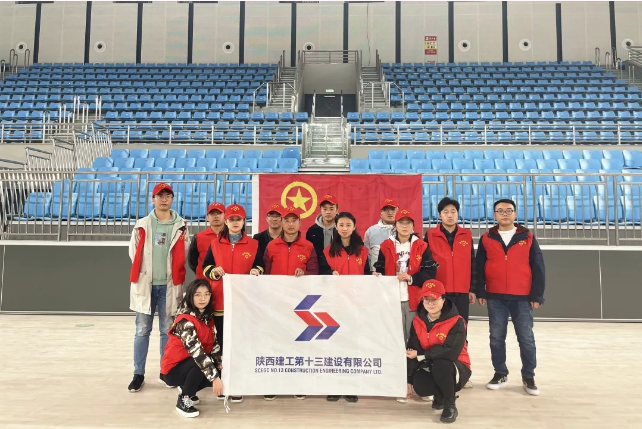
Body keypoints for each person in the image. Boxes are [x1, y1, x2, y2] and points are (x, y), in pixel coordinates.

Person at [475, 199, 545, 396]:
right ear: (494, 215)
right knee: (496, 337)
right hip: (495, 296)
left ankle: (529, 376)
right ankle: (500, 373)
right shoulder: (487, 238)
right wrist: (481, 291)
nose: (504, 214)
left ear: (515, 214)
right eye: (500, 211)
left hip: (522, 297)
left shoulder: (528, 237)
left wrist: (537, 295)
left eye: (508, 210)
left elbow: (538, 267)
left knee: (526, 338)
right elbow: (479, 267)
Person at [128, 183, 189, 393]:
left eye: (168, 196)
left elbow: (184, 253)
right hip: (147, 285)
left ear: (172, 199)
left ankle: (166, 372)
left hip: (170, 287)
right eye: (160, 196)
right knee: (142, 331)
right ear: (153, 199)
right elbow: (133, 253)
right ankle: (138, 374)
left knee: (167, 331)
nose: (164, 199)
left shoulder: (181, 225)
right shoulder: (142, 225)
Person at [374, 208, 438, 404]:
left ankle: (420, 385)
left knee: (416, 343)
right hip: (392, 301)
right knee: (397, 343)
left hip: (414, 301)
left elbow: (430, 273)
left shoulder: (422, 245)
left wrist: (411, 278)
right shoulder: (386, 245)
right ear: (395, 225)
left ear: (413, 226)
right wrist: (377, 275)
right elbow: (379, 267)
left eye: (408, 223)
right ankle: (400, 384)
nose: (404, 226)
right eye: (401, 222)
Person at [202, 203, 263, 403]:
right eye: (231, 219)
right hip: (220, 302)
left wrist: (257, 271)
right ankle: (224, 380)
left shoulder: (254, 244)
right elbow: (206, 267)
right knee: (222, 343)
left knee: (240, 342)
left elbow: (260, 265)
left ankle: (238, 382)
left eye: (238, 219)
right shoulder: (215, 244)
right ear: (226, 222)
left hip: (243, 303)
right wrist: (214, 272)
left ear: (244, 221)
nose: (235, 222)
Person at [263, 206, 318, 401]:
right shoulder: (271, 246)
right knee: (275, 342)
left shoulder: (308, 246)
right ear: (281, 222)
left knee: (298, 344)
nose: (290, 224)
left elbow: (315, 273)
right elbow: (265, 274)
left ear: (300, 223)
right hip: (276, 303)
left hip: (299, 304)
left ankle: (297, 383)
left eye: (294, 220)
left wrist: (305, 274)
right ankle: (272, 383)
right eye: (287, 220)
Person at [424, 197, 476, 389]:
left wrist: (472, 288)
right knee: (437, 332)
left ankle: (463, 372)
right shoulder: (430, 235)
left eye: (453, 211)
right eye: (446, 212)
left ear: (458, 214)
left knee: (461, 333)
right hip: (439, 294)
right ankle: (435, 371)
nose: (450, 215)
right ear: (439, 215)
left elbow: (473, 263)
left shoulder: (466, 235)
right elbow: (426, 265)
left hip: (461, 292)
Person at [406, 280, 471, 424]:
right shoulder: (417, 321)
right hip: (431, 363)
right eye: (426, 299)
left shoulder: (457, 321)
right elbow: (412, 350)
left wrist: (422, 354)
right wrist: (409, 380)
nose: (430, 303)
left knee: (441, 364)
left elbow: (451, 351)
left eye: (434, 299)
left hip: (456, 367)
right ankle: (439, 395)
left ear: (443, 299)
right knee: (420, 385)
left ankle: (450, 404)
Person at [323, 212, 370, 403]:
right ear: (336, 227)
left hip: (356, 306)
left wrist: (375, 277)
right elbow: (321, 275)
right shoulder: (328, 251)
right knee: (334, 346)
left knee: (353, 346)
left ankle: (351, 386)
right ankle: (334, 386)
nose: (344, 228)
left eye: (348, 225)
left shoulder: (363, 251)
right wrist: (329, 274)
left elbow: (368, 275)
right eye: (341, 225)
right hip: (334, 305)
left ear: (354, 227)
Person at [161, 279, 223, 418]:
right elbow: (197, 353)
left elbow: (213, 343)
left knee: (219, 368)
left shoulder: (206, 316)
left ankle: (188, 388)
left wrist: (219, 362)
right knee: (201, 365)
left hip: (188, 364)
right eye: (197, 295)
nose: (203, 298)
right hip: (173, 369)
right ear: (190, 296)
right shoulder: (185, 320)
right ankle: (184, 400)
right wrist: (215, 378)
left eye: (206, 294)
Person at [187, 202, 225, 279]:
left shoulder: (231, 237)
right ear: (207, 217)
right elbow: (192, 261)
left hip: (225, 280)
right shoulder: (198, 237)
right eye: (212, 214)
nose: (216, 216)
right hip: (203, 281)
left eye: (219, 213)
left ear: (225, 216)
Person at [306, 194, 338, 275]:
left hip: (338, 271)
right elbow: (308, 253)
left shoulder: (342, 229)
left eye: (331, 209)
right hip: (317, 272)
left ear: (337, 210)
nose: (328, 212)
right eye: (325, 209)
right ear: (320, 210)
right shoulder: (312, 231)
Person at [364, 198, 398, 272]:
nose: (390, 213)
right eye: (386, 210)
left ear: (397, 211)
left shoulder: (406, 231)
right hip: (377, 275)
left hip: (400, 275)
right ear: (381, 213)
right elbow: (365, 256)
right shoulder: (371, 231)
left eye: (393, 210)